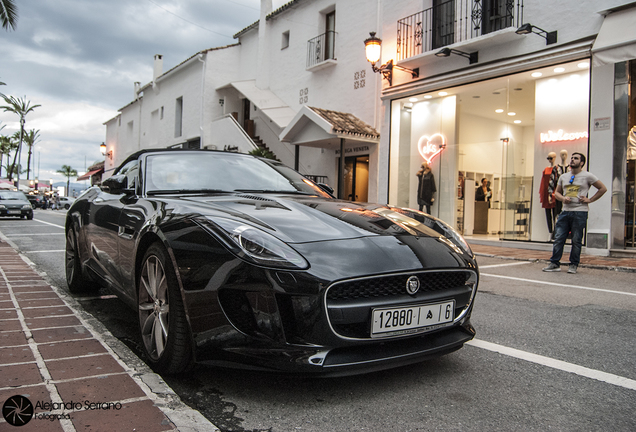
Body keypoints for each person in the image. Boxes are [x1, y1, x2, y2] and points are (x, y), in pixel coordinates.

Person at [543, 152, 607, 274]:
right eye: (572, 158)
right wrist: (562, 199)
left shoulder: (588, 176)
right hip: (565, 211)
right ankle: (554, 263)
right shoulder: (564, 177)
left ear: (582, 163)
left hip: (580, 212)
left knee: (576, 240)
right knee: (558, 238)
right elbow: (557, 192)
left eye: (575, 158)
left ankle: (573, 264)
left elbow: (602, 188)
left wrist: (590, 199)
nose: (572, 160)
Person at [540, 152, 557, 238]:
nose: (550, 160)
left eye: (551, 158)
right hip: (546, 193)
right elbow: (543, 182)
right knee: (548, 214)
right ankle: (550, 232)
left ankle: (555, 232)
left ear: (555, 158)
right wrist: (542, 194)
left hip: (554, 192)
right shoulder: (546, 169)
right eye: (548, 158)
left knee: (555, 214)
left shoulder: (557, 168)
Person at [548, 149, 569, 218]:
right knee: (558, 211)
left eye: (565, 154)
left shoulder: (570, 168)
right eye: (562, 154)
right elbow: (552, 180)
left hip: (568, 192)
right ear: (560, 156)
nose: (564, 156)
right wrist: (550, 194)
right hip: (558, 192)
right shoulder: (556, 168)